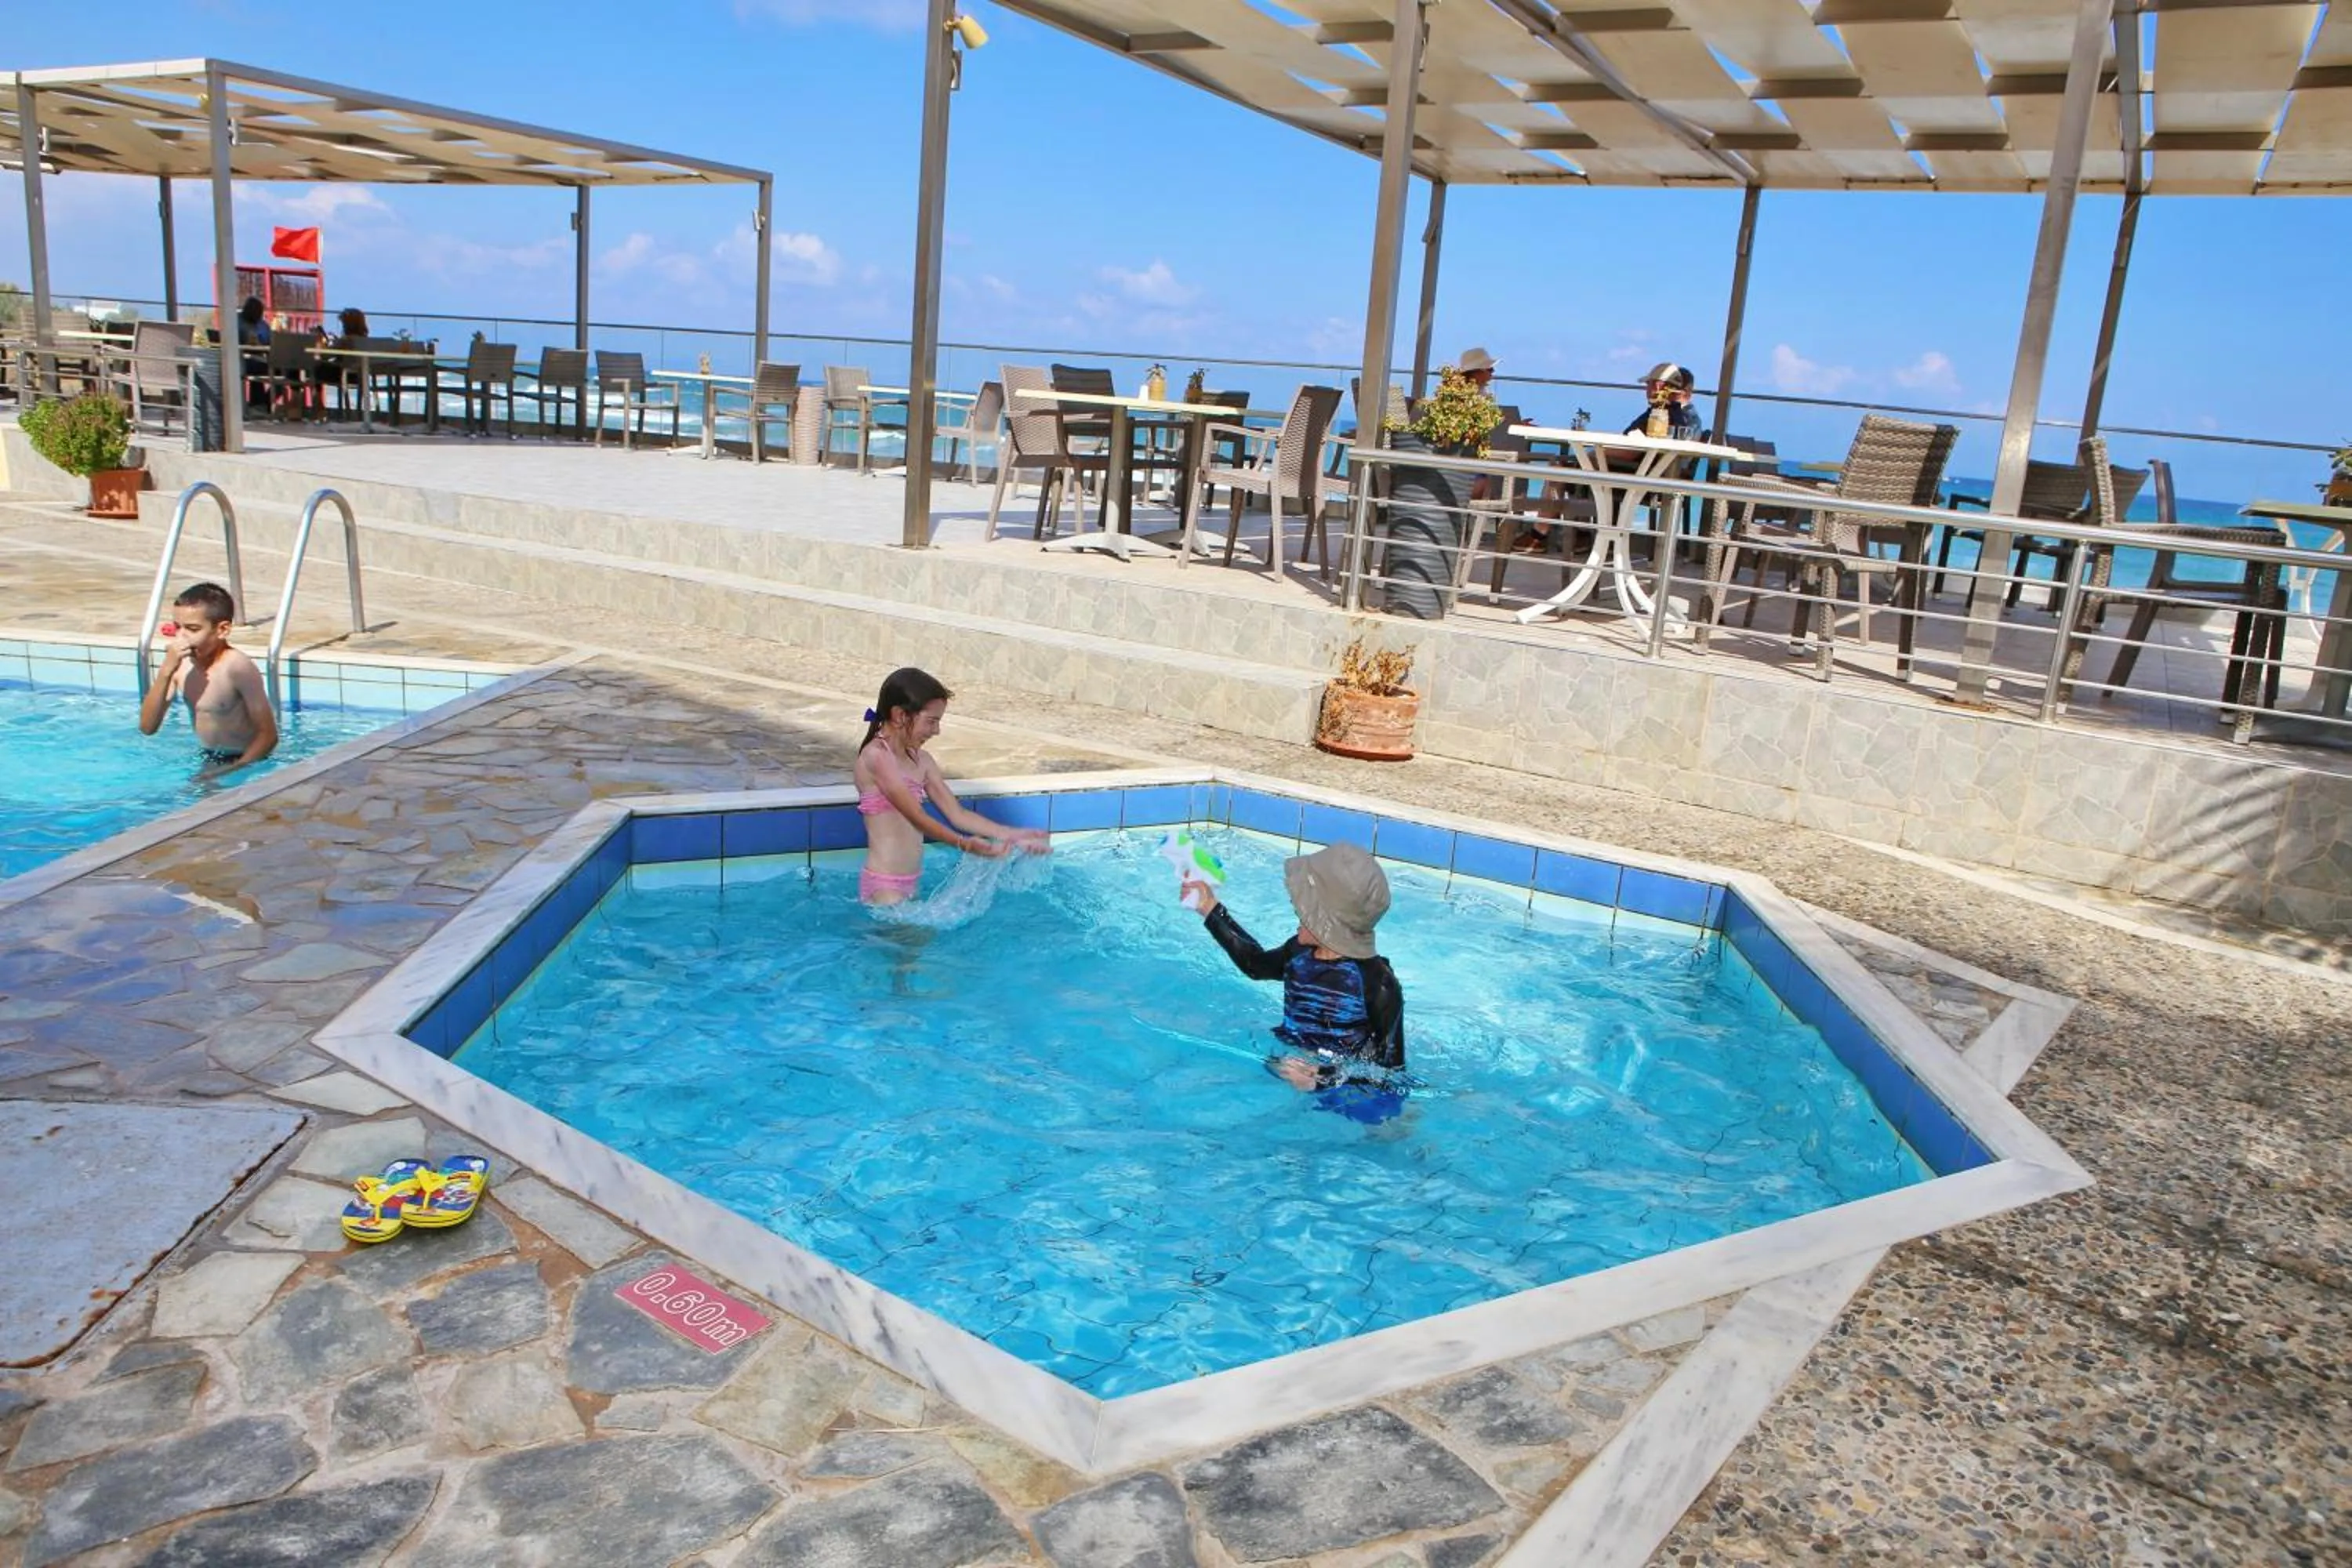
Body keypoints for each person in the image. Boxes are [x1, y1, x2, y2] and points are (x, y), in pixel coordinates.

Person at [1189, 841, 1406, 1120]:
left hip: (1343, 1089)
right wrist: (1210, 907)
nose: (1295, 905)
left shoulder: (1378, 982)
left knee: (1386, 1122)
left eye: (1304, 908)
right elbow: (1254, 965)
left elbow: (1391, 1071)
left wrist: (1324, 1080)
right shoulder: (1298, 952)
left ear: (1328, 920)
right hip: (1291, 1062)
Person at [854, 666, 1045, 906]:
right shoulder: (876, 757)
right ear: (900, 715)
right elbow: (915, 817)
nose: (937, 731)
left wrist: (1011, 834)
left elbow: (958, 814)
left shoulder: (923, 761)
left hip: (911, 883)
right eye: (931, 721)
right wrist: (963, 843)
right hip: (883, 886)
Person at [137, 581, 278, 775]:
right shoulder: (179, 666)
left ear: (222, 630)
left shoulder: (236, 667)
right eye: (177, 627)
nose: (182, 637)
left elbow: (268, 735)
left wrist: (235, 770)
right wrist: (166, 672)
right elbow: (147, 727)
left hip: (246, 760)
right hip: (210, 758)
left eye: (193, 629)